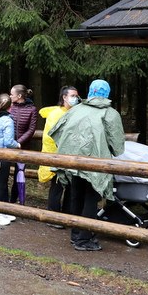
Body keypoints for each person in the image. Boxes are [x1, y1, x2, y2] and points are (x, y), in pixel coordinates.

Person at [50, 79, 125, 252]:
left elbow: (58, 132)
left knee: (76, 197)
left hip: (74, 162)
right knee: (90, 200)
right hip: (96, 165)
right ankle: (84, 239)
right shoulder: (110, 114)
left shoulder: (76, 110)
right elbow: (117, 146)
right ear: (107, 93)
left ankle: (76, 235)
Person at [38, 86, 79, 227]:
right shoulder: (56, 114)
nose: (75, 98)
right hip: (56, 157)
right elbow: (51, 137)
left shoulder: (74, 113)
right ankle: (53, 217)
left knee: (70, 187)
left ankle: (67, 215)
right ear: (64, 97)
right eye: (72, 95)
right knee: (57, 187)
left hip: (70, 157)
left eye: (76, 96)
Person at [0, 93, 21, 224]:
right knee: (1, 185)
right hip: (4, 155)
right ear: (10, 106)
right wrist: (17, 144)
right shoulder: (8, 120)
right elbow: (8, 141)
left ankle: (4, 210)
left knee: (1, 182)